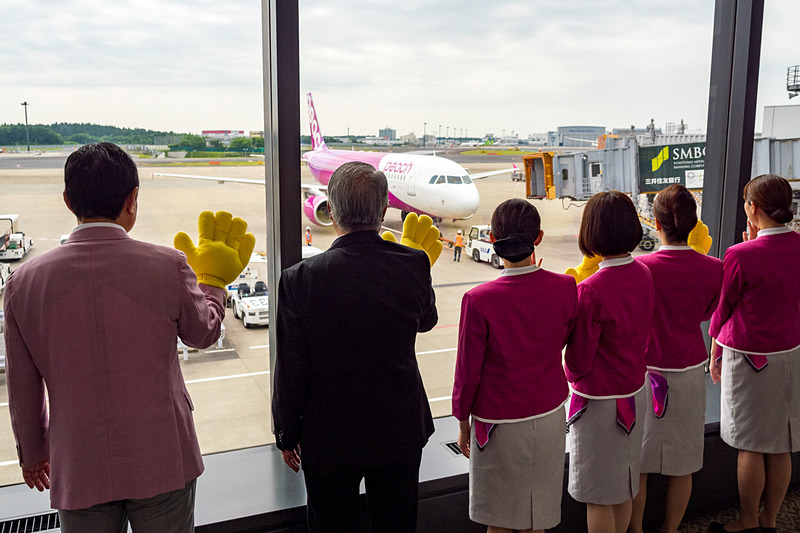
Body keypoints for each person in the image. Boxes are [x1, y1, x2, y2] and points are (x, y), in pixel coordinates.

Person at [3, 142, 255, 532]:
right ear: (132, 199)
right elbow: (204, 334)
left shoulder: (23, 283)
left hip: (78, 463)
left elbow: (21, 384)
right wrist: (214, 285)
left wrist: (33, 454)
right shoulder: (168, 265)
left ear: (68, 201)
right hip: (163, 455)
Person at [272, 161, 440, 533]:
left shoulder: (300, 280)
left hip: (329, 434)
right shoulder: (414, 263)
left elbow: (291, 367)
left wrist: (286, 432)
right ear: (383, 212)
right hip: (398, 427)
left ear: (331, 211)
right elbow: (427, 321)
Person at [452, 198, 577, 533]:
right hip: (549, 415)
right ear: (538, 238)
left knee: (500, 519)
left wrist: (462, 420)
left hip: (498, 422)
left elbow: (468, 371)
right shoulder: (566, 287)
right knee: (538, 513)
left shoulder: (479, 300)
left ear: (492, 239)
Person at [707, 174, 800, 533]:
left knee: (750, 446)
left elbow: (724, 308)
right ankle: (770, 520)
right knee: (779, 446)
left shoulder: (739, 254)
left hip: (749, 360)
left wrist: (714, 347)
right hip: (790, 354)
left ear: (753, 208)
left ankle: (747, 520)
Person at [629, 185, 723, 533]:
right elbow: (707, 313)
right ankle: (670, 530)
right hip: (686, 374)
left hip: (646, 374)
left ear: (655, 222)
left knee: (637, 462)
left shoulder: (641, 268)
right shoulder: (714, 268)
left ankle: (636, 529)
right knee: (682, 465)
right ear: (693, 224)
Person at [564, 190, 655, 533]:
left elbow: (578, 361)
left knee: (598, 494)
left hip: (599, 403)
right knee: (623, 484)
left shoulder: (590, 289)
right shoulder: (644, 272)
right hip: (634, 391)